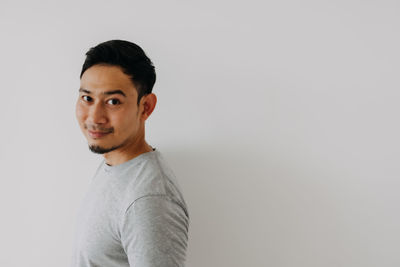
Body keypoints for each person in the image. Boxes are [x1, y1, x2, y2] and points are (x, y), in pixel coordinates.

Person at [71, 40, 189, 267]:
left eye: (113, 101)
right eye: (87, 98)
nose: (95, 117)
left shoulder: (148, 200)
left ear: (145, 107)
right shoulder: (114, 164)